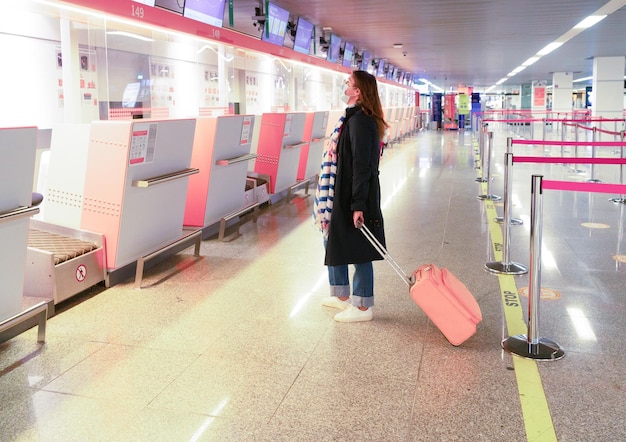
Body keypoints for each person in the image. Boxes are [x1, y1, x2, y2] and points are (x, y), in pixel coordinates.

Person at [313, 70, 388, 323]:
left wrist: (358, 204)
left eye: (349, 83)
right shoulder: (353, 118)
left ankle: (364, 306)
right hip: (342, 192)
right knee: (334, 240)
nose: (345, 85)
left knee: (360, 249)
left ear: (358, 91)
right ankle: (342, 295)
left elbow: (361, 166)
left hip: (354, 196)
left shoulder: (360, 122)